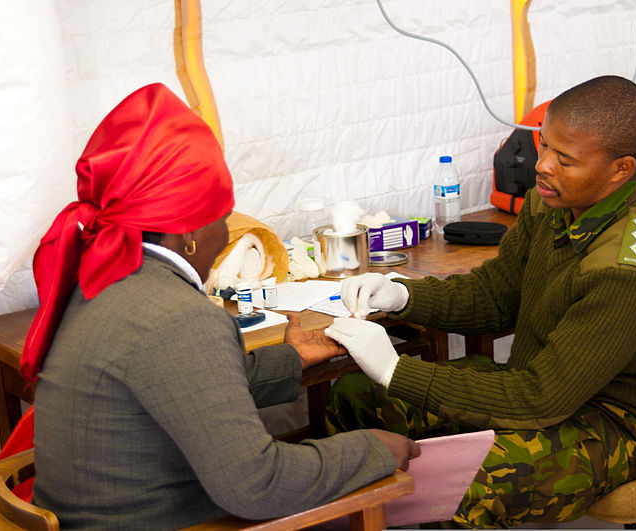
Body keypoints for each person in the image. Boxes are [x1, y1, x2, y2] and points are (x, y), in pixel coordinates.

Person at [21, 83, 419, 529]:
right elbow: (257, 485)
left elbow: (177, 384)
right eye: (223, 213)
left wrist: (291, 358)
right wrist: (375, 450)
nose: (228, 229)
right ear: (187, 230)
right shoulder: (181, 317)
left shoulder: (99, 279)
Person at [325, 75, 636, 528]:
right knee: (357, 396)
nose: (542, 165)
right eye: (544, 146)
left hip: (627, 421)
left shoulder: (629, 267)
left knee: (467, 482)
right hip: (550, 388)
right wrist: (404, 294)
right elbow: (494, 297)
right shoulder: (551, 204)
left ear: (621, 169)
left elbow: (541, 400)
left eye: (564, 159)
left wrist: (396, 369)